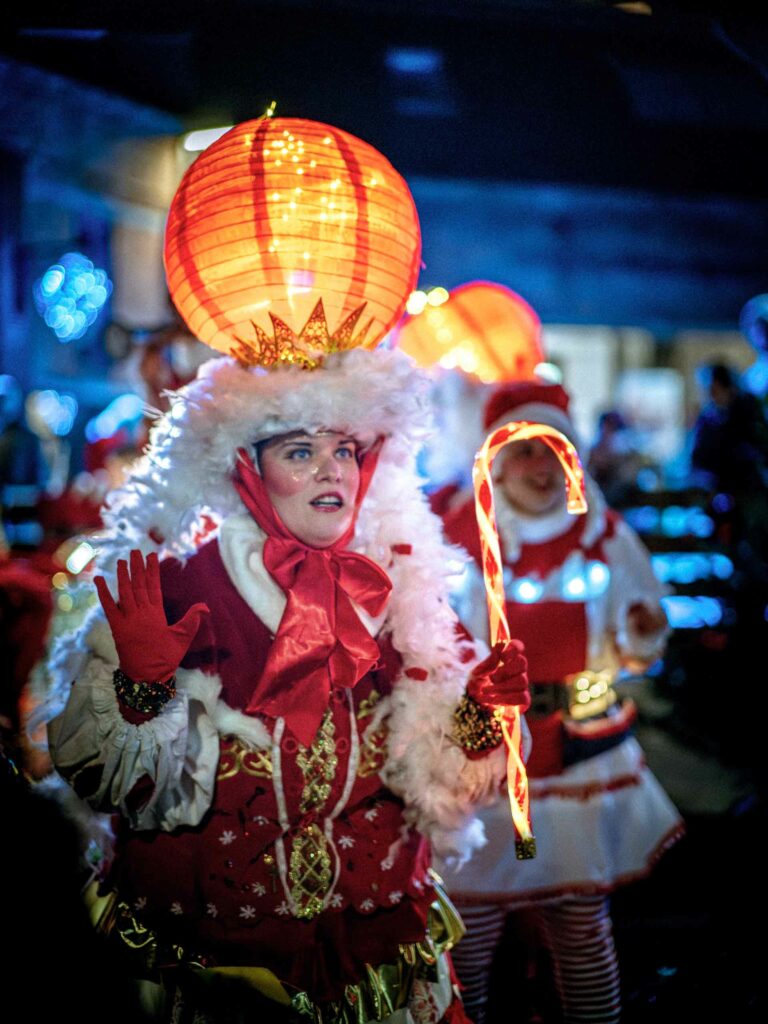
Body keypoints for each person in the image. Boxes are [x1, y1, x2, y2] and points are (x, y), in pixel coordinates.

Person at [46, 347, 530, 1024]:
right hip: (212, 967)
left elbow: (442, 795)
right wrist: (142, 693)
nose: (331, 469)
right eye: (299, 451)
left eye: (346, 450)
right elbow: (100, 788)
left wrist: (476, 719)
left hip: (378, 957)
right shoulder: (171, 592)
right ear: (245, 468)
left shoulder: (407, 598)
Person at [436, 380, 684, 1024]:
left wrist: (643, 633)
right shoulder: (449, 529)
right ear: (495, 458)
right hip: (479, 763)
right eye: (523, 453)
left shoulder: (603, 534)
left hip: (579, 754)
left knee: (580, 924)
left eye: (552, 451)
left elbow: (640, 643)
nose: (539, 468)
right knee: (467, 930)